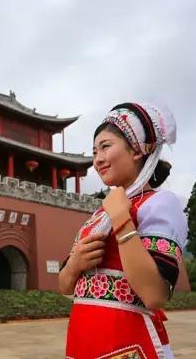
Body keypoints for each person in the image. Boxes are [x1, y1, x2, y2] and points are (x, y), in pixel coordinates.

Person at [58, 102, 188, 359]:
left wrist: (121, 218)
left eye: (105, 146)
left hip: (128, 343)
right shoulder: (99, 216)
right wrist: (74, 264)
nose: (97, 159)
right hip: (84, 341)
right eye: (94, 151)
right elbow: (64, 285)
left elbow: (155, 294)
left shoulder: (159, 203)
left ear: (137, 149)